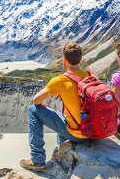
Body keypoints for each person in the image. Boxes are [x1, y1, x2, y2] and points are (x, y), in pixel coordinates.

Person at [20, 42, 91, 172]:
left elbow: (36, 100)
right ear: (81, 59)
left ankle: (37, 160)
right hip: (93, 132)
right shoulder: (90, 76)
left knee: (33, 110)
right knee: (63, 116)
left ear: (64, 59)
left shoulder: (60, 80)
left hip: (78, 134)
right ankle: (62, 149)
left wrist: (41, 104)